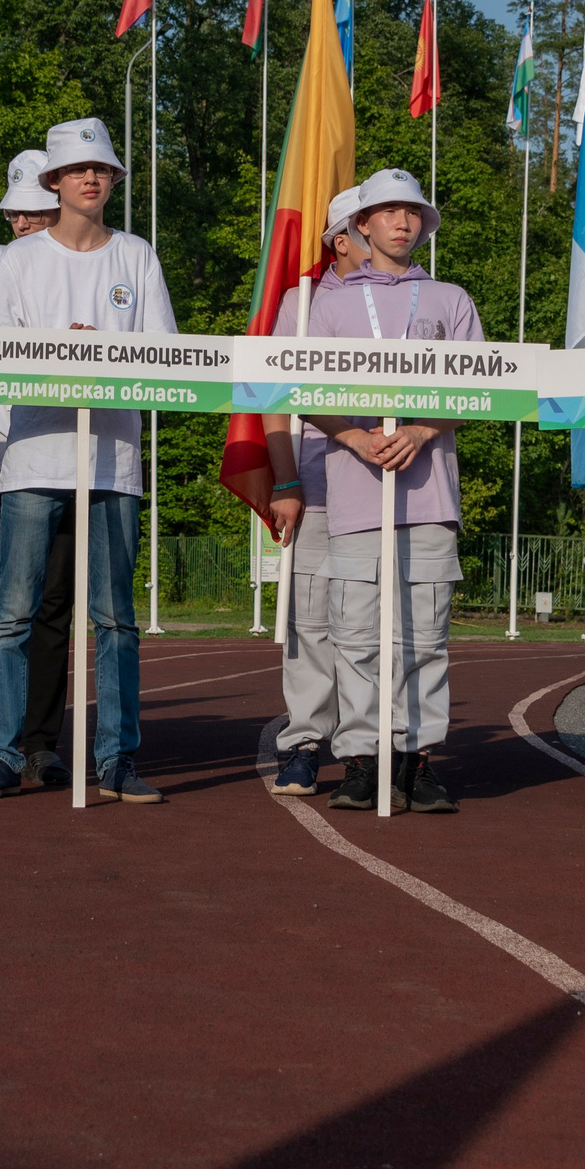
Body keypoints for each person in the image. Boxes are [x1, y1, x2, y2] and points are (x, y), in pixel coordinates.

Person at [0, 117, 176, 801]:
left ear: (114, 179)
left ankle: (117, 758)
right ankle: (0, 752)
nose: (91, 178)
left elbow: (166, 357)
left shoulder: (136, 255)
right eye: (78, 169)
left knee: (115, 620)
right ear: (53, 181)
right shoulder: (17, 260)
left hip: (113, 462)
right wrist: (62, 350)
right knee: (13, 614)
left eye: (101, 168)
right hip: (32, 458)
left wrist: (101, 353)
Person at [300, 170, 480, 815]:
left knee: (423, 636)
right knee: (355, 636)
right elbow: (304, 391)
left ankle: (417, 760)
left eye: (413, 213)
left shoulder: (450, 298)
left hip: (429, 496)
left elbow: (481, 389)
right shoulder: (330, 304)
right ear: (362, 225)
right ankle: (361, 761)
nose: (403, 222)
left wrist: (424, 431)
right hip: (354, 496)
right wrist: (353, 438)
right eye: (389, 212)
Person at [0, 150, 74, 791]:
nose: (24, 223)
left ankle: (40, 743)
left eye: (36, 213)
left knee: (51, 600)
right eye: (16, 214)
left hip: (57, 452)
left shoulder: (76, 263)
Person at [267, 185, 368, 800]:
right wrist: (285, 479)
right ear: (340, 241)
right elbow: (274, 395)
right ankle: (303, 743)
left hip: (387, 489)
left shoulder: (421, 296)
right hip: (317, 482)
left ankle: (365, 749)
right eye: (366, 223)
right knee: (310, 622)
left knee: (371, 625)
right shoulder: (301, 303)